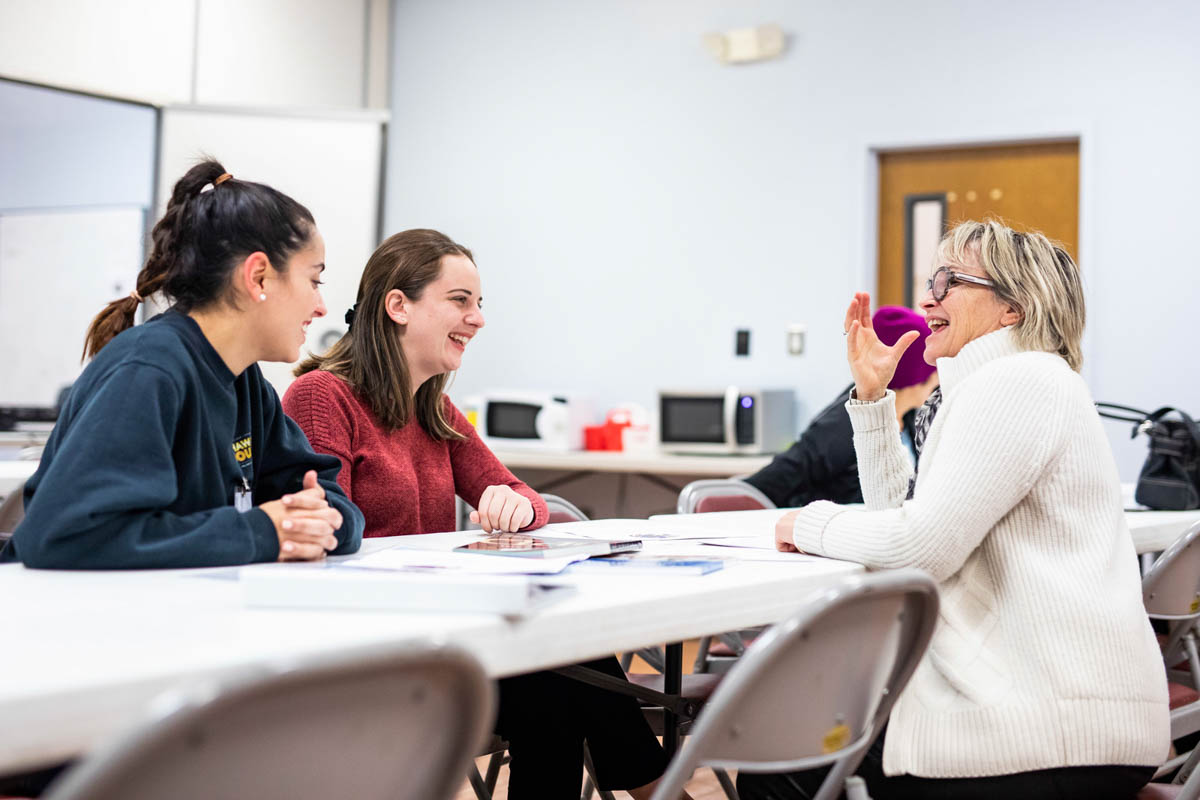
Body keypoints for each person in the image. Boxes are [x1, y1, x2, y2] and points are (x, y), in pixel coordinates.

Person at [744, 220, 1169, 800]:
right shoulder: (1000, 384)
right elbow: (907, 518)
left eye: (949, 281)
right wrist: (872, 400)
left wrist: (808, 521)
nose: (926, 298)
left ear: (1013, 308)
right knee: (794, 750)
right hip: (1060, 715)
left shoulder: (1016, 383)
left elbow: (917, 550)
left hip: (1047, 729)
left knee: (778, 757)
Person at [282, 229, 680, 800]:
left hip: (444, 636)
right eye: (460, 300)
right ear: (398, 306)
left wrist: (515, 503)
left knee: (562, 668)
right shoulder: (324, 396)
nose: (478, 319)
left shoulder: (435, 409)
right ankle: (660, 791)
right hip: (370, 650)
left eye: (479, 303)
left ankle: (658, 791)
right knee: (560, 677)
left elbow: (525, 496)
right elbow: (331, 529)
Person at [0, 160, 363, 569]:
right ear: (258, 277)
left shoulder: (245, 380)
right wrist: (263, 531)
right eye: (314, 281)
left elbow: (322, 493)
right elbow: (67, 536)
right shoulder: (149, 371)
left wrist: (326, 522)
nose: (320, 306)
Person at [745, 306, 938, 507]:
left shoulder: (911, 419)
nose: (938, 376)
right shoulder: (847, 421)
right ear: (916, 374)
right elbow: (783, 474)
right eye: (933, 366)